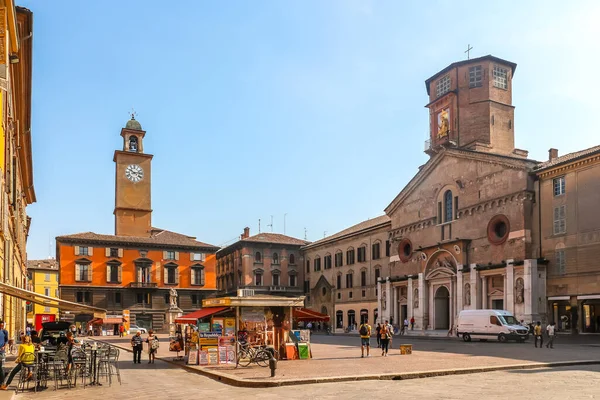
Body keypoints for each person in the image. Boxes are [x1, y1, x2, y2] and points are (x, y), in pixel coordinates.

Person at [0, 320, 8, 386]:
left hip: (1, 352)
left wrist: (4, 347)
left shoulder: (4, 332)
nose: (1, 326)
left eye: (2, 325)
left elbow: (6, 341)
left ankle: (2, 382)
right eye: (1, 325)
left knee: (1, 367)